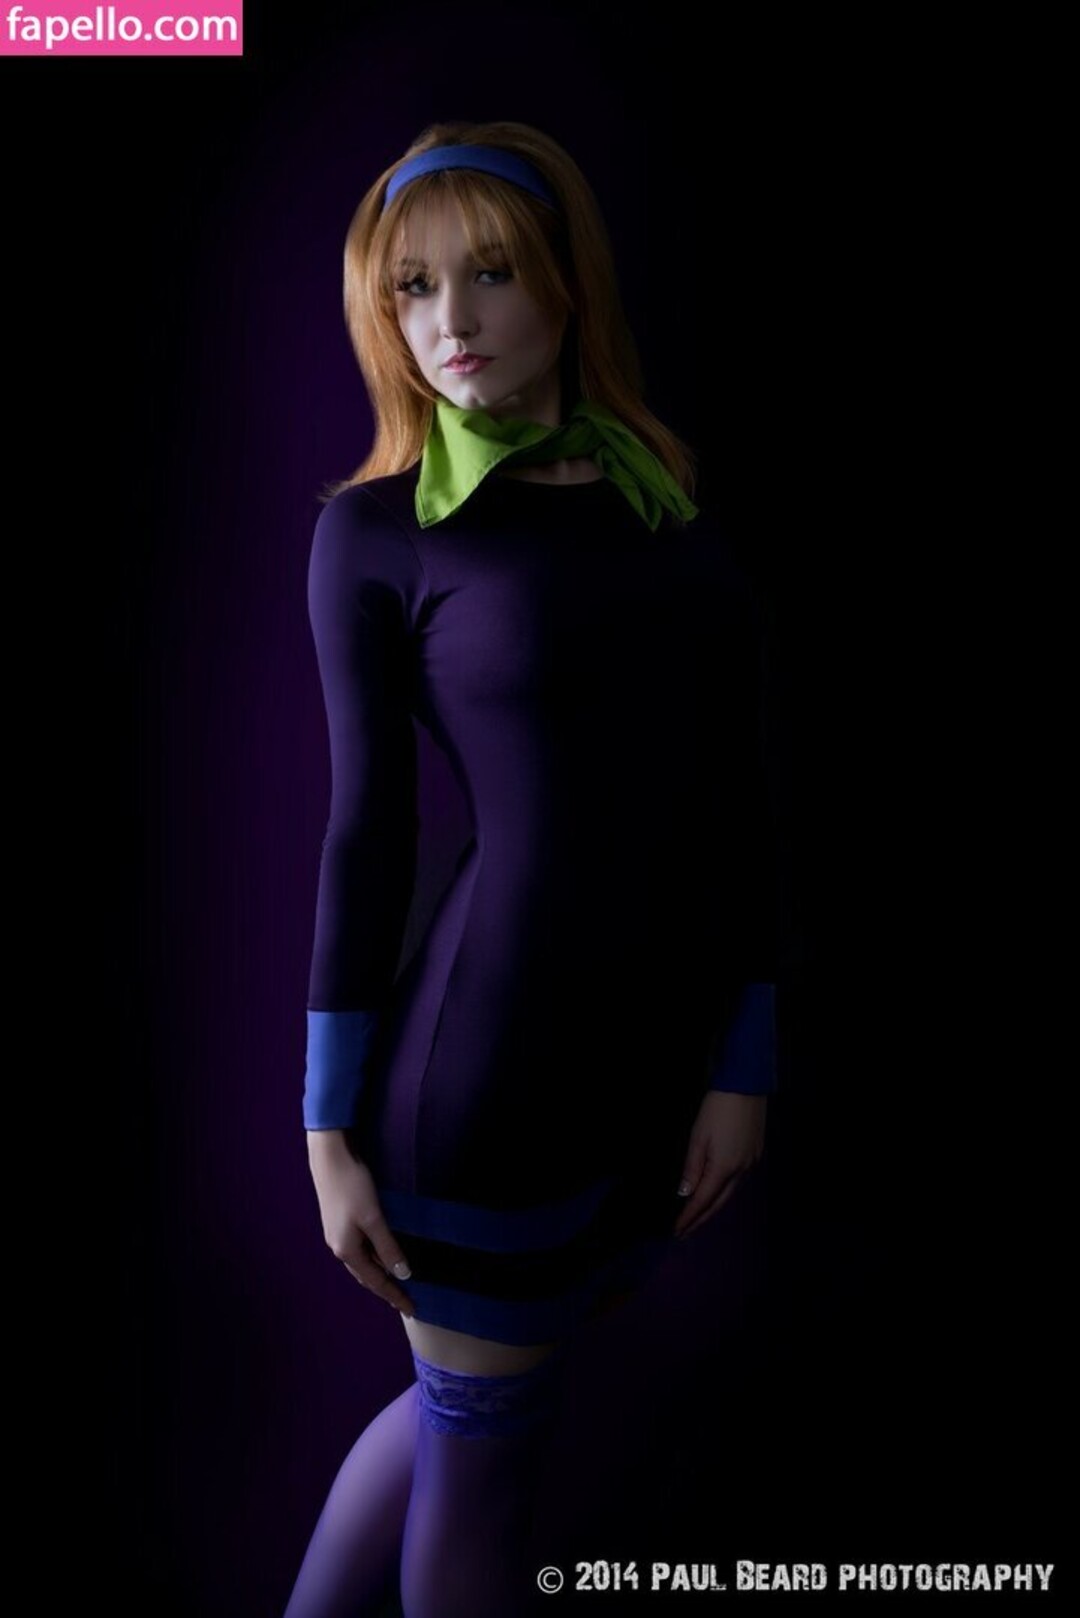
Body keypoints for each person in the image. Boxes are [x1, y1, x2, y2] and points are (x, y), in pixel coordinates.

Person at [283, 119, 782, 1618]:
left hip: (633, 1064)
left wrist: (743, 1063)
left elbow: (733, 806)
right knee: (484, 1450)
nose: (450, 321)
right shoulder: (378, 532)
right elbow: (367, 831)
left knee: (473, 1410)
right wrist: (325, 1128)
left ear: (568, 281)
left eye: (490, 274)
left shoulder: (664, 505)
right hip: (476, 1073)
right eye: (414, 288)